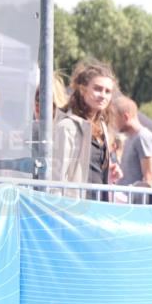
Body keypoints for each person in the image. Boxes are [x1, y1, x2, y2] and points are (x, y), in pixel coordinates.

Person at [52, 62, 123, 200]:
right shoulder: (67, 127)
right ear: (83, 90)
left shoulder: (103, 127)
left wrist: (108, 175)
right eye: (97, 89)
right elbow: (57, 177)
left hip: (98, 207)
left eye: (108, 91)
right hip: (74, 209)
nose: (103, 95)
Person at [113, 95, 152, 192]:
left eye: (114, 117)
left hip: (135, 204)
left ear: (125, 117)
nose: (112, 122)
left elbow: (149, 179)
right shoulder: (130, 139)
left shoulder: (144, 137)